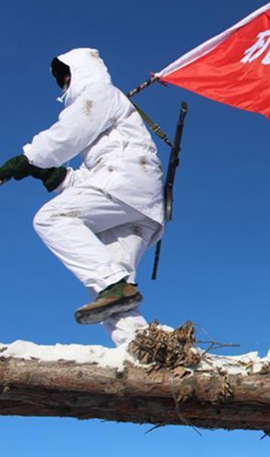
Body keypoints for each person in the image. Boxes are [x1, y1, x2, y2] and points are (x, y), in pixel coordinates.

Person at [0, 48, 164, 346]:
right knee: (109, 289)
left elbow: (66, 136)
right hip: (138, 200)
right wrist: (55, 176)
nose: (64, 84)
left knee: (51, 219)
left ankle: (114, 285)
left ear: (80, 70)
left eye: (66, 76)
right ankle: (142, 348)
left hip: (128, 181)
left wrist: (27, 159)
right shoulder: (111, 122)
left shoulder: (100, 93)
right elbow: (94, 177)